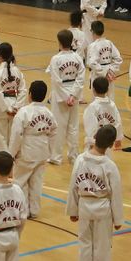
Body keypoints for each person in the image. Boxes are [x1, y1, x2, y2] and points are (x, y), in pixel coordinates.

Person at [67, 125, 123, 261]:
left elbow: (73, 186)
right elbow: (116, 194)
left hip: (84, 205)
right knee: (102, 248)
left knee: (85, 246)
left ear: (94, 137)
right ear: (111, 144)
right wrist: (118, 219)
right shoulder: (109, 165)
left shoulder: (80, 160)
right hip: (102, 208)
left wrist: (73, 209)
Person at [8, 80, 57, 218]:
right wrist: (50, 151)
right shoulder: (49, 113)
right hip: (42, 151)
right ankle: (34, 210)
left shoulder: (24, 112)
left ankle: (22, 211)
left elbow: (16, 135)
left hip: (27, 151)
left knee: (20, 182)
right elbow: (54, 131)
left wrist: (11, 154)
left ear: (29, 94)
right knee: (37, 183)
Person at [46, 30, 86, 164]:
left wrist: (66, 96)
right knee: (73, 127)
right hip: (73, 97)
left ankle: (56, 157)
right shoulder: (77, 58)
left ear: (59, 42)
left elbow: (56, 81)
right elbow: (80, 79)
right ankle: (73, 156)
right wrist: (73, 96)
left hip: (60, 97)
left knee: (58, 127)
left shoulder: (56, 59)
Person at [0, 42, 24, 151]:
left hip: (1, 109)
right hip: (14, 107)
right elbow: (23, 91)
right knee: (12, 138)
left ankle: (2, 162)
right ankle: (10, 158)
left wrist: (6, 109)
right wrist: (16, 107)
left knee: (0, 139)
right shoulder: (17, 71)